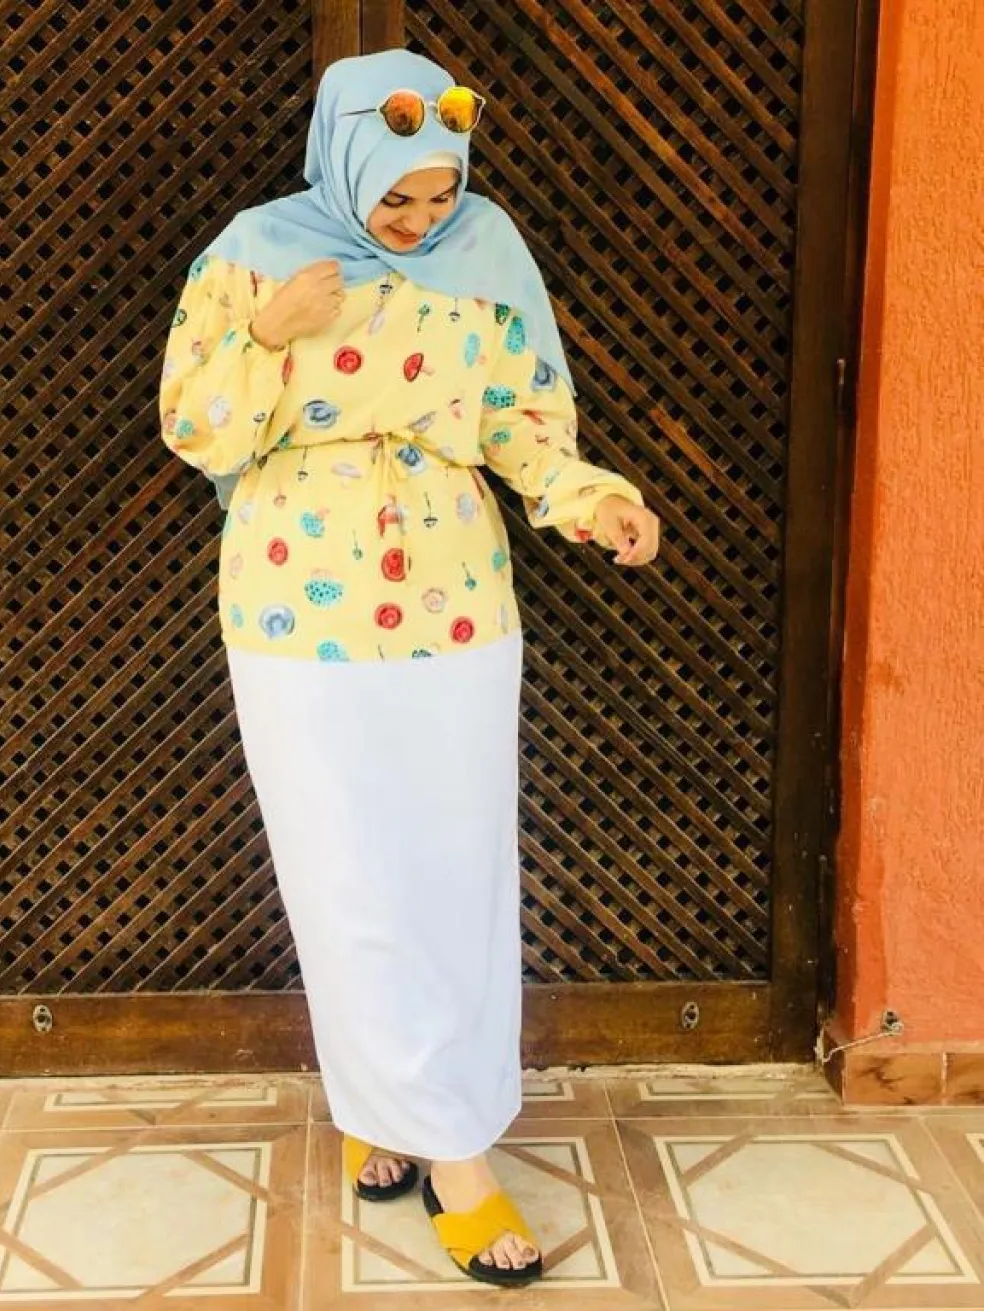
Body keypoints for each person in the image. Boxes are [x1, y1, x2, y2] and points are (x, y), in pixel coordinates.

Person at [159, 48, 659, 1289]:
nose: (422, 220)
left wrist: (591, 499)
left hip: (455, 602)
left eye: (441, 194)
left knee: (454, 866)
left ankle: (453, 1146)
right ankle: (386, 1109)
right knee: (341, 873)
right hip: (293, 607)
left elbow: (522, 425)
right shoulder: (253, 255)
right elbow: (194, 428)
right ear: (342, 157)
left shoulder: (486, 254)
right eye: (398, 198)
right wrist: (266, 335)